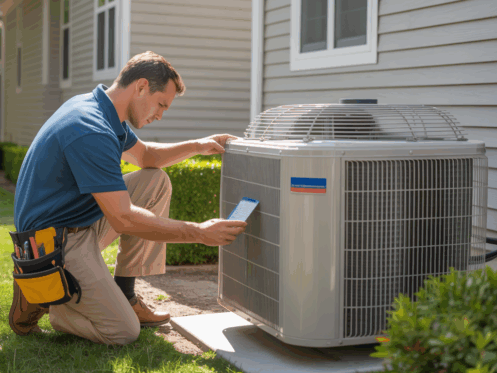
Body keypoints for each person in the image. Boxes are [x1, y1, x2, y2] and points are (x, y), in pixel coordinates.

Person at [9, 51, 247, 345]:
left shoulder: (104, 110)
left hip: (77, 222)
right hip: (52, 244)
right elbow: (123, 219)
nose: (160, 114)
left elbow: (147, 156)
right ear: (141, 86)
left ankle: (126, 293)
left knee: (154, 180)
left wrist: (199, 145)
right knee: (123, 331)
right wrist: (198, 232)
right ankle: (55, 302)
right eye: (161, 104)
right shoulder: (89, 128)